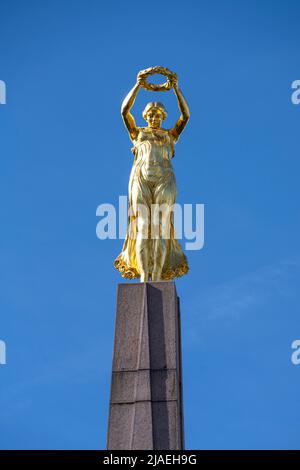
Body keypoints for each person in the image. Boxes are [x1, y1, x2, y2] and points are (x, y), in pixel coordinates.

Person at [114, 70, 190, 282]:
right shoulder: (137, 133)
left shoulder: (169, 136)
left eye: (158, 115)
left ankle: (156, 276)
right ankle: (143, 278)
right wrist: (138, 85)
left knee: (160, 227)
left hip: (165, 178)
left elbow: (185, 116)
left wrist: (176, 88)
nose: (154, 118)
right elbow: (124, 111)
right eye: (151, 115)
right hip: (140, 178)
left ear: (163, 117)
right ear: (145, 117)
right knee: (142, 227)